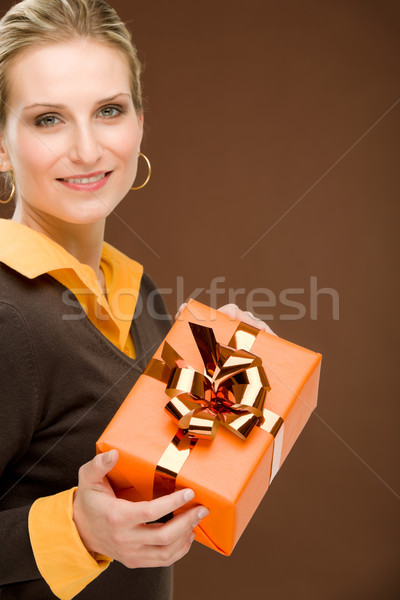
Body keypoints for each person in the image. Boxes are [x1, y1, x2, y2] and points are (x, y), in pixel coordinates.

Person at [0, 1, 275, 598]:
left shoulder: (138, 293)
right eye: (48, 119)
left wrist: (224, 380)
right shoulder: (6, 314)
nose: (88, 149)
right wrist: (74, 529)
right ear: (1, 146)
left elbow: (155, 481)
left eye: (108, 111)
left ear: (140, 123)